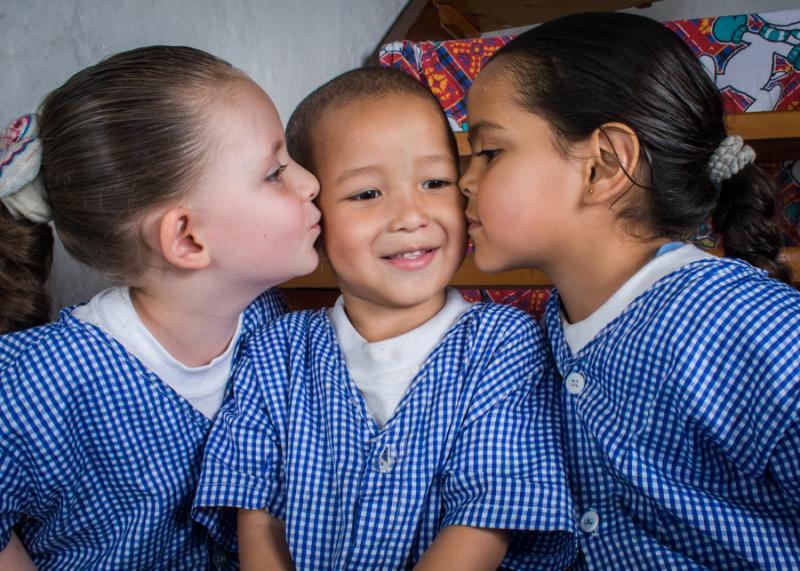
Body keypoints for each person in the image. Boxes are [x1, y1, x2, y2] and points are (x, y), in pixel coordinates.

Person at [192, 67, 576, 571]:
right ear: (314, 217)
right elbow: (255, 509)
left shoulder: (502, 342)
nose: (411, 215)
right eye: (367, 194)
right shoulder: (276, 349)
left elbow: (488, 513)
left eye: (435, 182)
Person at [458, 11, 800, 569]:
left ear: (604, 165)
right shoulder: (540, 333)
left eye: (490, 152)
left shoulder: (753, 326)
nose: (465, 180)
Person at [0, 45, 320, 570]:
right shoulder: (35, 383)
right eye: (275, 172)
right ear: (188, 239)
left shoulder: (268, 323)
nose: (309, 182)